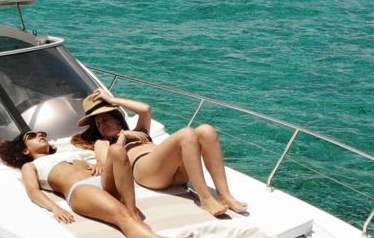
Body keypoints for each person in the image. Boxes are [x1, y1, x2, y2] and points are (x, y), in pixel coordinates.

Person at [0, 129, 194, 238]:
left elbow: (102, 155)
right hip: (81, 190)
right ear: (25, 150)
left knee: (116, 151)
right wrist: (55, 207)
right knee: (120, 216)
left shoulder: (69, 153)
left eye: (42, 133)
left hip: (101, 180)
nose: (40, 134)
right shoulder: (31, 166)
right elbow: (33, 191)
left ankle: (132, 211)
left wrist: (98, 162)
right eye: (32, 136)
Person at [73, 88, 249, 218]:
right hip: (147, 173)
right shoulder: (102, 143)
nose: (101, 125)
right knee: (187, 133)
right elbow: (111, 164)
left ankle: (224, 195)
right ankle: (205, 199)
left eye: (105, 119)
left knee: (206, 130)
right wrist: (123, 136)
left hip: (174, 171)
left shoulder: (140, 130)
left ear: (118, 120)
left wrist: (113, 100)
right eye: (97, 124)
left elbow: (145, 109)